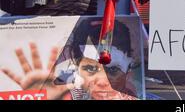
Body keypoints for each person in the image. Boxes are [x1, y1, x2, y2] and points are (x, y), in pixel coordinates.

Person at [1, 18, 140, 100]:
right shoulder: (69, 93)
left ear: (128, 70)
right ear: (76, 66)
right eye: (90, 68)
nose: (102, 81)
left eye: (113, 69)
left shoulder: (134, 94)